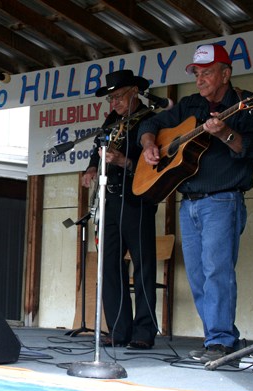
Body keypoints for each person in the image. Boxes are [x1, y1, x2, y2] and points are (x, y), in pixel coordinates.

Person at [138, 44, 253, 363]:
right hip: (188, 202)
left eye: (207, 73)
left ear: (226, 74)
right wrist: (150, 146)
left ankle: (220, 340)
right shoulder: (190, 105)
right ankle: (216, 340)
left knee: (216, 270)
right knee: (198, 275)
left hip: (223, 199)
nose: (201, 79)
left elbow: (249, 148)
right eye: (197, 73)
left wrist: (225, 133)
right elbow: (150, 125)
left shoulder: (245, 105)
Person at [82, 70, 158, 349]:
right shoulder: (110, 122)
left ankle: (144, 331)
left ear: (133, 92)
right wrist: (91, 169)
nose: (113, 103)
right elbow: (96, 153)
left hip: (137, 200)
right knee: (108, 265)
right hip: (109, 201)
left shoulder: (151, 120)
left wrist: (123, 160)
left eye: (117, 97)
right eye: (110, 98)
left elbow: (154, 164)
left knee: (144, 266)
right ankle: (118, 328)